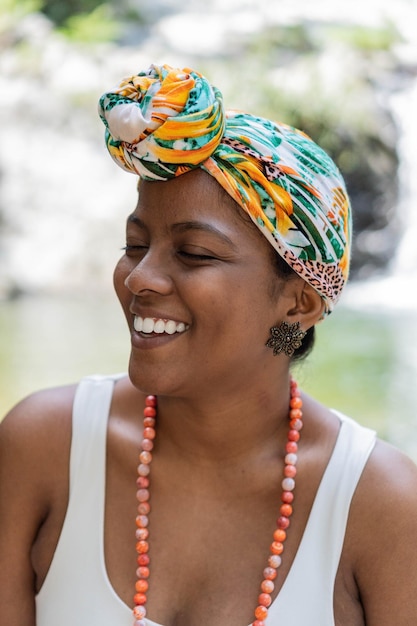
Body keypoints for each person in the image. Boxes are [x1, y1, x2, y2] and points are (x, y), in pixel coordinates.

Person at [1, 63, 417, 626]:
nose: (139, 277)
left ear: (300, 301)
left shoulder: (381, 504)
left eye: (195, 253)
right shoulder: (44, 448)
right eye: (134, 243)